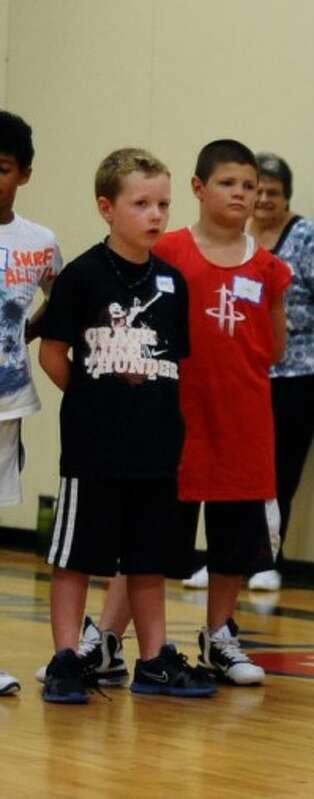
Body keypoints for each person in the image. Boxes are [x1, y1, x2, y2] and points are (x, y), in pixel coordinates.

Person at [38, 147, 214, 702]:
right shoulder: (82, 276)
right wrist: (94, 400)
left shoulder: (173, 282)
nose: (156, 215)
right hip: (93, 449)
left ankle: (155, 660)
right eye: (141, 203)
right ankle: (67, 658)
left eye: (163, 203)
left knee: (147, 560)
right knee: (75, 559)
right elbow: (52, 354)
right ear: (106, 208)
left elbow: (171, 362)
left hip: (156, 448)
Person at [154, 139, 291, 685]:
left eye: (249, 186)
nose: (241, 194)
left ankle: (220, 636)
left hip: (243, 416)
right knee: (153, 534)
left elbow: (275, 346)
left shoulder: (269, 268)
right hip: (176, 416)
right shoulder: (166, 252)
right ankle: (118, 638)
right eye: (229, 184)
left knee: (234, 537)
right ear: (197, 188)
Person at [236, 151, 314, 592]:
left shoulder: (310, 240)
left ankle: (266, 559)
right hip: (244, 373)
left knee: (278, 468)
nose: (262, 199)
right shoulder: (236, 237)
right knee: (236, 468)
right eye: (255, 190)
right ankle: (228, 558)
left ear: (287, 197)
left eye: (273, 193)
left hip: (299, 374)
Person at [0, 109, 60, 692]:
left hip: (6, 403)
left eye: (0, 168)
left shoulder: (39, 243)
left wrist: (29, 336)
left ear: (25, 174)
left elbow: (62, 299)